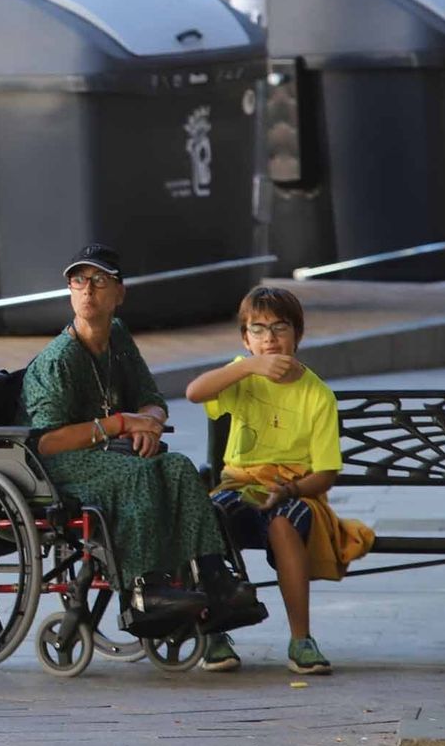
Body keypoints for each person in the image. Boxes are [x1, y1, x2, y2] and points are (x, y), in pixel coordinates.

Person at [19, 243, 265, 635]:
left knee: (178, 467)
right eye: (79, 281)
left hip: (108, 453)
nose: (88, 290)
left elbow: (151, 398)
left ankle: (215, 579)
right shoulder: (59, 359)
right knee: (137, 474)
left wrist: (148, 424)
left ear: (119, 293)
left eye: (99, 281)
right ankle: (142, 590)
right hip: (59, 464)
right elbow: (46, 442)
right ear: (69, 290)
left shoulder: (116, 335)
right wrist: (122, 423)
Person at [186, 286, 372, 675]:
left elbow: (325, 473)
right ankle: (215, 630)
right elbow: (193, 392)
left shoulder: (316, 394)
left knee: (284, 523)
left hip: (293, 491)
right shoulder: (241, 375)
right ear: (246, 339)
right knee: (204, 515)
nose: (269, 338)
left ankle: (301, 639)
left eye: (279, 328)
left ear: (296, 335)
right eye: (258, 329)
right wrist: (246, 367)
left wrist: (288, 490)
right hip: (239, 485)